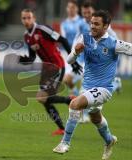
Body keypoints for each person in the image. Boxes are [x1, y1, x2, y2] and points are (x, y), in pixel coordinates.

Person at [53, 10, 132, 160]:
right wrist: (75, 53)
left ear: (106, 26)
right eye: (91, 23)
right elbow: (69, 60)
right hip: (87, 87)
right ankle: (109, 141)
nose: (93, 26)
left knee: (74, 104)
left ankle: (65, 143)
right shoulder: (85, 38)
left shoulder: (114, 44)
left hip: (104, 89)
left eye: (97, 24)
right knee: (95, 117)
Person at [19, 9, 82, 136]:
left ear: (34, 18)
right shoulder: (27, 37)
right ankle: (62, 127)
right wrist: (26, 60)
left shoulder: (43, 30)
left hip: (57, 66)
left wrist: (73, 60)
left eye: (28, 17)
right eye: (24, 18)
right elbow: (32, 57)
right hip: (46, 70)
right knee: (43, 99)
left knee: (42, 97)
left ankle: (70, 100)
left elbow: (63, 40)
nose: (26, 20)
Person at [60, 0, 83, 96]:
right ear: (66, 9)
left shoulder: (82, 22)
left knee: (86, 85)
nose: (71, 9)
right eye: (69, 7)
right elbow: (64, 41)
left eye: (73, 7)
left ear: (77, 9)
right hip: (70, 54)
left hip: (82, 57)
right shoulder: (63, 24)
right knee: (66, 79)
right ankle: (74, 91)